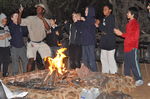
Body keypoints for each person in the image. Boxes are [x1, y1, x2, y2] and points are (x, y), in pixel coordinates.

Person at [114, 7, 143, 86]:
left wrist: (121, 34)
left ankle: (139, 79)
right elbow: (128, 35)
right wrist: (121, 34)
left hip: (132, 47)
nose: (127, 14)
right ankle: (127, 78)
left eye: (128, 13)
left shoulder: (135, 23)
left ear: (133, 14)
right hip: (127, 47)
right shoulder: (129, 23)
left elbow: (135, 36)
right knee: (127, 64)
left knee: (134, 63)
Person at [18, 4, 51, 71]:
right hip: (32, 42)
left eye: (40, 8)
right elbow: (19, 22)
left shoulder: (47, 20)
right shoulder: (31, 18)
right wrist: (20, 12)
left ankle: (47, 74)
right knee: (31, 60)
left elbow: (48, 28)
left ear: (43, 10)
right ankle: (27, 76)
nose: (38, 10)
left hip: (42, 42)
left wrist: (42, 19)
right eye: (37, 8)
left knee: (47, 59)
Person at [96, 4, 118, 74]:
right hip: (104, 42)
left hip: (110, 42)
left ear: (110, 10)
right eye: (103, 9)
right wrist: (99, 25)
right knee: (103, 59)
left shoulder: (111, 18)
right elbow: (103, 30)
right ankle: (105, 73)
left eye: (106, 9)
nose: (104, 11)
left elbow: (107, 30)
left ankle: (114, 73)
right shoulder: (104, 19)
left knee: (110, 59)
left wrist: (99, 25)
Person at [80, 6, 97, 72]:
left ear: (90, 11)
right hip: (84, 43)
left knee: (91, 60)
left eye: (87, 10)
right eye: (85, 10)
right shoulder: (85, 21)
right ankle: (87, 74)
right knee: (85, 59)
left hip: (90, 43)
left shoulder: (92, 20)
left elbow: (90, 28)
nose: (85, 12)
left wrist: (84, 20)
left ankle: (95, 73)